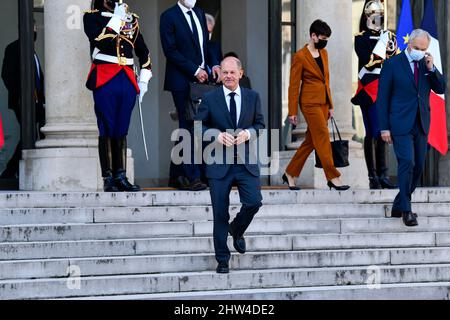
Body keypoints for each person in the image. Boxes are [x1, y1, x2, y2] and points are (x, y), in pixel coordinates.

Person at [195, 56, 265, 274]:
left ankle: (237, 228)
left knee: (254, 202)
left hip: (246, 163)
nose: (228, 76)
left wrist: (248, 133)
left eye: (232, 72)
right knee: (220, 213)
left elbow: (260, 125)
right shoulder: (209, 98)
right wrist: (216, 135)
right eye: (224, 72)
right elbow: (198, 128)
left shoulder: (253, 97)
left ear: (240, 74)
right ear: (220, 74)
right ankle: (222, 259)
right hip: (219, 164)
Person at [377, 29, 445, 227]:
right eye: (416, 48)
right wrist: (384, 128)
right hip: (399, 123)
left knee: (418, 168)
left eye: (423, 49)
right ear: (409, 44)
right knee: (407, 162)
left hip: (421, 123)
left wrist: (432, 68)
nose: (420, 52)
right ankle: (407, 210)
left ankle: (399, 203)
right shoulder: (392, 64)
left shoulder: (426, 64)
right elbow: (382, 99)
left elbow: (441, 88)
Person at [83, 0, 153, 192]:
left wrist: (144, 80)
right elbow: (100, 41)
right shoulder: (91, 17)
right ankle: (108, 177)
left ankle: (121, 175)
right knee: (107, 126)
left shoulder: (132, 20)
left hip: (127, 79)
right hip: (105, 76)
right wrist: (116, 18)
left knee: (122, 128)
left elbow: (144, 53)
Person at [160, 0, 221, 191]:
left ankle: (176, 174)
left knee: (198, 125)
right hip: (181, 80)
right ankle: (192, 176)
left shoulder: (200, 14)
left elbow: (206, 46)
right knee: (188, 125)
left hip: (201, 81)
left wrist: (215, 64)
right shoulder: (168, 16)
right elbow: (170, 51)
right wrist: (194, 70)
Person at [283, 20, 350, 191]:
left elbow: (326, 81)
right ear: (313, 36)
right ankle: (333, 176)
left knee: (310, 142)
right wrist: (292, 111)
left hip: (323, 104)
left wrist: (331, 104)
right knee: (322, 136)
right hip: (309, 103)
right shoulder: (300, 56)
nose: (325, 40)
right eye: (322, 37)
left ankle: (290, 173)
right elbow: (293, 85)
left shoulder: (324, 53)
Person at [352, 0, 397, 189]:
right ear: (366, 17)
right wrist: (381, 44)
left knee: (382, 132)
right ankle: (373, 176)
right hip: (368, 88)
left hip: (384, 89)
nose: (377, 19)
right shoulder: (360, 38)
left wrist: (389, 44)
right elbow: (368, 60)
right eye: (373, 15)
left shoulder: (389, 36)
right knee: (373, 132)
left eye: (379, 16)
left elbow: (393, 59)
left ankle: (384, 174)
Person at [1, 22, 45, 179]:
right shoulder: (14, 48)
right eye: (33, 28)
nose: (35, 31)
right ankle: (11, 170)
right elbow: (7, 74)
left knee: (41, 130)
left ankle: (19, 169)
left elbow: (38, 78)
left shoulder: (31, 51)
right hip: (24, 101)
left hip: (37, 101)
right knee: (30, 134)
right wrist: (21, 96)